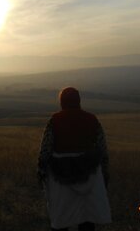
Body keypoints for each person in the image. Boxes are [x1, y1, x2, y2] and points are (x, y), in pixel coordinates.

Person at [37, 87, 111, 231]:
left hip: (60, 176)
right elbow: (102, 150)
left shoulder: (55, 120)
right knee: (87, 218)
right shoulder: (92, 119)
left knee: (61, 218)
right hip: (90, 174)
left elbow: (45, 150)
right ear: (79, 101)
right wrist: (105, 174)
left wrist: (41, 172)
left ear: (61, 101)